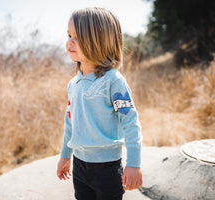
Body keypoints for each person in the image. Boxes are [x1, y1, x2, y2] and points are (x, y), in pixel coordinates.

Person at [56, 7, 143, 200]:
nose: (69, 41)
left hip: (107, 168)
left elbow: (130, 122)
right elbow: (70, 123)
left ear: (98, 41)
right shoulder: (74, 84)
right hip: (79, 165)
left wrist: (134, 164)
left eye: (77, 37)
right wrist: (65, 155)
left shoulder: (114, 81)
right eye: (69, 35)